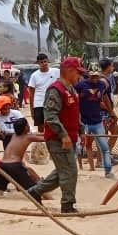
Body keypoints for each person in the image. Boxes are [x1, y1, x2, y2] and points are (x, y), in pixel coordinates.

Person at [26, 57, 87, 213]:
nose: (79, 76)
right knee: (70, 171)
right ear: (68, 71)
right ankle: (67, 204)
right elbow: (50, 116)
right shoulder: (56, 89)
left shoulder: (71, 89)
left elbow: (75, 113)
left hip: (70, 137)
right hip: (58, 139)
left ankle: (35, 191)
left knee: (63, 171)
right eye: (77, 73)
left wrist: (81, 131)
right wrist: (63, 135)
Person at [0, 118, 44, 202]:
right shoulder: (28, 137)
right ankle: (49, 199)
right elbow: (45, 138)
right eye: (27, 125)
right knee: (32, 186)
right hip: (14, 165)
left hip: (3, 164)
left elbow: (38, 134)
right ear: (26, 127)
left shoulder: (14, 135)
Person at [76, 68, 114, 177]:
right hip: (84, 122)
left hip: (97, 121)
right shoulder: (81, 85)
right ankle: (79, 169)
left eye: (96, 76)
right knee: (79, 147)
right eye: (92, 76)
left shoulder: (102, 85)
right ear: (89, 75)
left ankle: (108, 171)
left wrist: (111, 112)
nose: (94, 78)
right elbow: (73, 97)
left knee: (105, 147)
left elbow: (105, 97)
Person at [28, 53, 59, 132]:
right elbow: (31, 94)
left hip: (53, 103)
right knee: (41, 127)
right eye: (41, 62)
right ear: (38, 63)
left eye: (45, 61)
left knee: (54, 125)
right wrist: (32, 110)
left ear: (48, 61)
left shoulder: (56, 72)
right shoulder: (34, 75)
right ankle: (42, 143)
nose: (44, 64)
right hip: (39, 104)